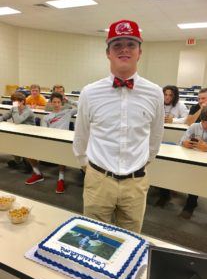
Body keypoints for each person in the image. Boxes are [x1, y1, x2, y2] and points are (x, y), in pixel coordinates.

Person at [73, 19, 164, 233]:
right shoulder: (90, 92)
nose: (124, 49)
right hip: (98, 179)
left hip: (136, 181)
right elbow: (81, 135)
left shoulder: (154, 92)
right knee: (92, 238)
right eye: (117, 45)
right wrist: (88, 167)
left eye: (131, 44)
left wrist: (143, 163)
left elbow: (156, 136)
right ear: (108, 53)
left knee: (130, 239)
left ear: (140, 52)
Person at [25, 92, 77, 193]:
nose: (57, 104)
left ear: (61, 103)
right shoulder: (46, 117)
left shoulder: (68, 112)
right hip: (50, 140)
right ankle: (37, 174)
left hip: (62, 141)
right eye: (54, 102)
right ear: (51, 103)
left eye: (58, 102)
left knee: (62, 153)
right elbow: (44, 132)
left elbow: (82, 106)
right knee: (28, 151)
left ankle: (61, 179)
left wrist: (69, 100)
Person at [178, 106, 207, 219]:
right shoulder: (194, 126)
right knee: (194, 178)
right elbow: (180, 141)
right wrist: (184, 143)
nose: (205, 126)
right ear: (202, 120)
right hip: (193, 162)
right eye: (204, 122)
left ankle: (191, 203)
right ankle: (191, 202)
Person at [0, 91, 35, 170]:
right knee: (13, 141)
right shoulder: (13, 109)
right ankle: (18, 160)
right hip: (19, 132)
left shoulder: (28, 111)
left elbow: (17, 121)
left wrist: (15, 108)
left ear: (22, 101)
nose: (13, 103)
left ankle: (27, 162)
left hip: (29, 134)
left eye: (15, 101)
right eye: (13, 101)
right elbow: (4, 117)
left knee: (19, 143)